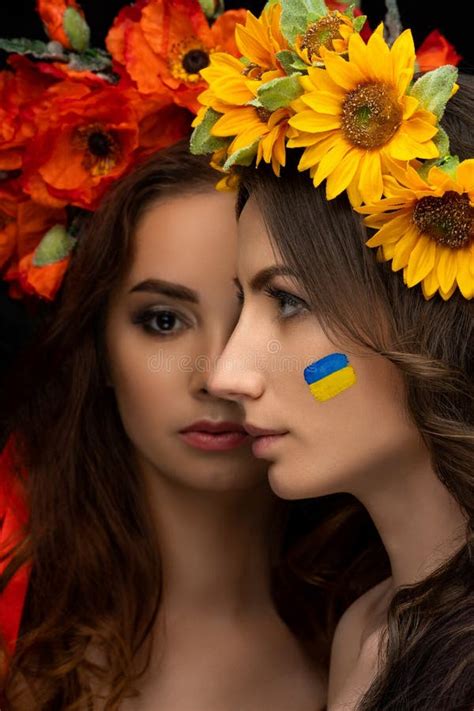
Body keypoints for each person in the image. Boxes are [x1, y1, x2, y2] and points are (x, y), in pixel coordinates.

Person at [194, 4, 474, 709]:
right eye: (242, 303)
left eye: (288, 302)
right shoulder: (367, 631)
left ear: (428, 311)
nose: (227, 375)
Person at [0, 141, 334, 710]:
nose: (217, 375)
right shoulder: (16, 637)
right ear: (100, 348)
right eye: (162, 321)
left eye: (279, 308)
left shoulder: (396, 632)